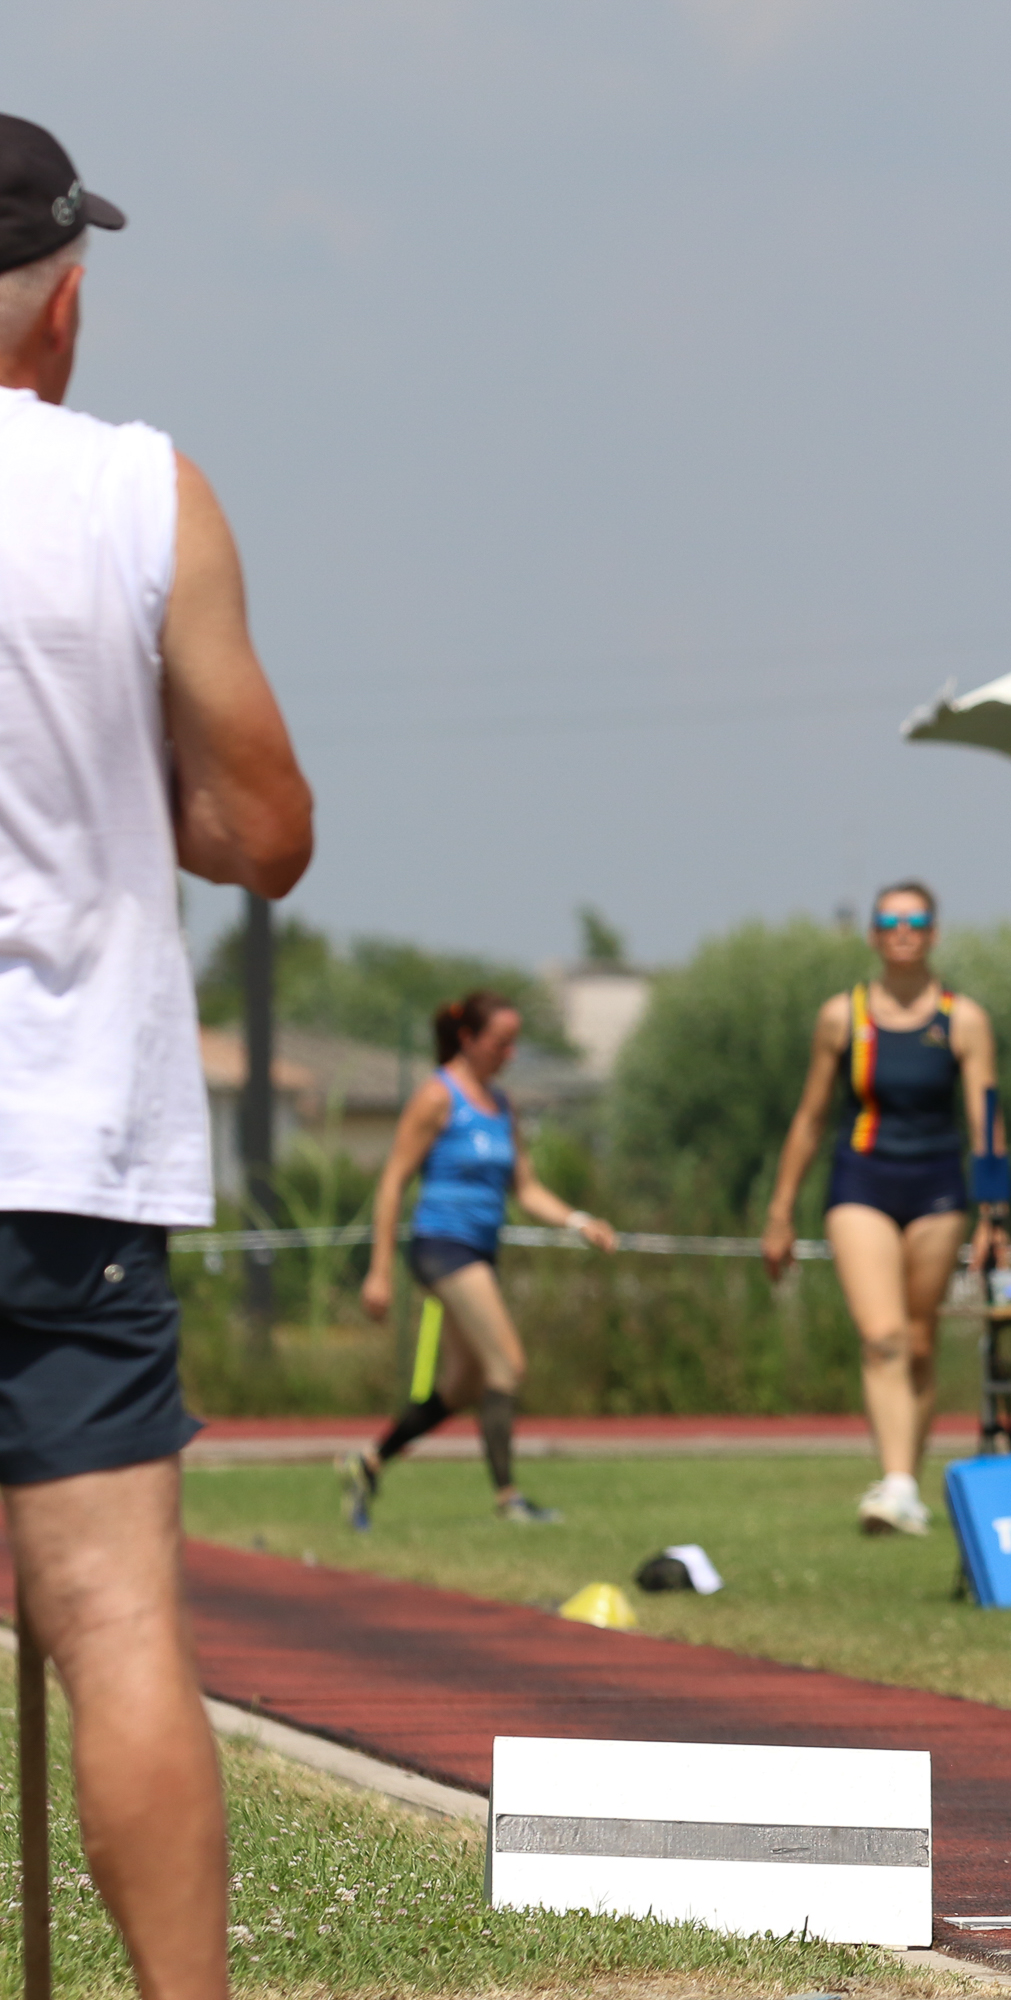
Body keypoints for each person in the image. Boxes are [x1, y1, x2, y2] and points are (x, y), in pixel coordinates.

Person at [0, 113, 312, 2000]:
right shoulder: (138, 491)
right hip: (65, 1140)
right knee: (117, 1626)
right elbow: (264, 832)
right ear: (64, 302)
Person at [763, 882, 1009, 1536]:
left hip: (937, 1189)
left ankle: (906, 1481)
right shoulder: (842, 1016)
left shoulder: (963, 1019)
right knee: (882, 1337)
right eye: (890, 920)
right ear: (873, 934)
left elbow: (986, 1119)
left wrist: (995, 1214)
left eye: (916, 920)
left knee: (920, 1343)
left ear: (934, 932)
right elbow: (811, 1118)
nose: (903, 931)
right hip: (861, 1182)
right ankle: (896, 1486)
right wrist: (781, 1210)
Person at [352, 992, 617, 1525]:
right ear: (468, 1039)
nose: (509, 1054)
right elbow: (392, 1181)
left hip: (480, 1250)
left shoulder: (502, 1105)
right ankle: (508, 1500)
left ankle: (368, 1463)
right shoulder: (437, 1097)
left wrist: (578, 1220)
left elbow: (527, 1188)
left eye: (514, 1044)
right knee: (507, 1363)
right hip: (441, 1246)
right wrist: (378, 1271)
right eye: (500, 1043)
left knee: (463, 1385)